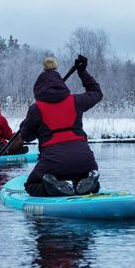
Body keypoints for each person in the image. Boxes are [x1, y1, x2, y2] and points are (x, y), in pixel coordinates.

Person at [19, 56, 102, 196]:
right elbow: (96, 93)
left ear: (38, 88)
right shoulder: (76, 101)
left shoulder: (35, 109)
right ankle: (89, 182)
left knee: (31, 185)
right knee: (82, 179)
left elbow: (27, 137)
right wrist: (82, 72)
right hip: (85, 160)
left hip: (53, 163)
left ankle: (53, 187)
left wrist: (25, 125)